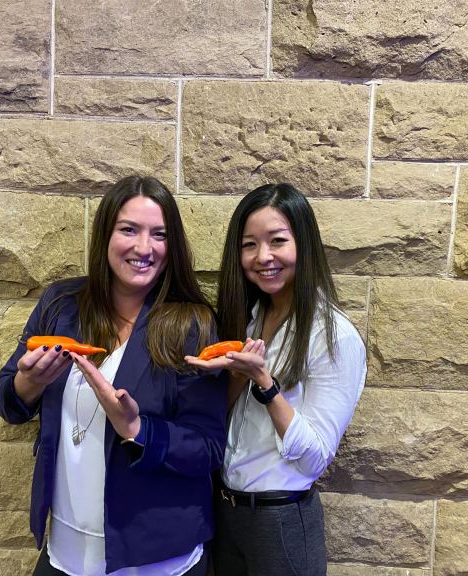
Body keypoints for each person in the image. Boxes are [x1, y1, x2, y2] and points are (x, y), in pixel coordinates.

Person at [0, 176, 228, 576]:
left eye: (159, 234)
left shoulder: (191, 324)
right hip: (65, 553)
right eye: (129, 230)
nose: (143, 247)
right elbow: (7, 403)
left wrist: (138, 429)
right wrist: (28, 385)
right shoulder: (61, 304)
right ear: (105, 235)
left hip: (157, 560)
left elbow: (208, 448)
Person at [185, 183, 367, 575]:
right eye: (249, 245)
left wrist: (266, 386)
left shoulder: (332, 334)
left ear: (303, 244)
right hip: (228, 513)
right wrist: (232, 374)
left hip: (281, 519)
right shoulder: (251, 318)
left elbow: (316, 457)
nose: (262, 256)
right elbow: (232, 424)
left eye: (277, 241)